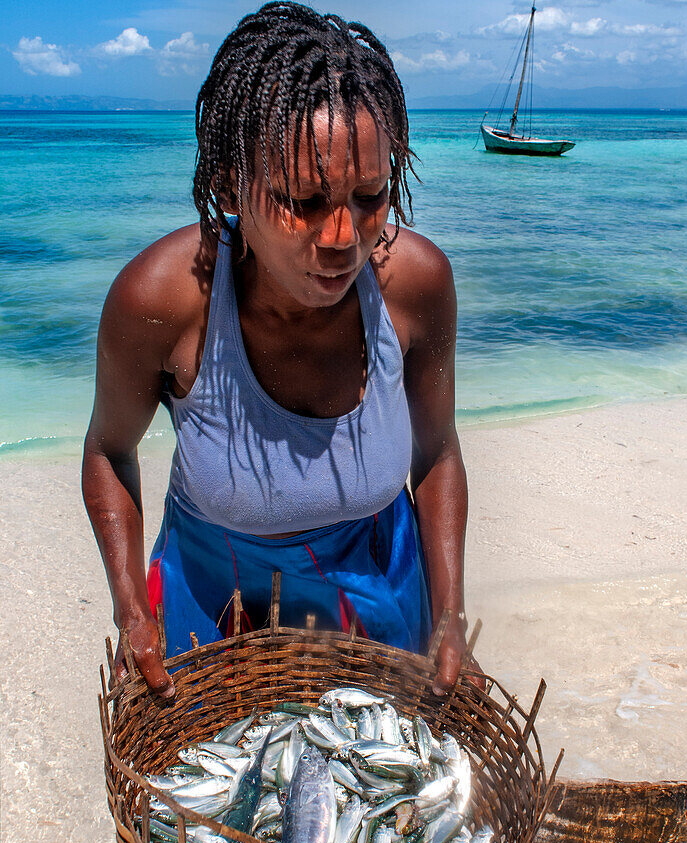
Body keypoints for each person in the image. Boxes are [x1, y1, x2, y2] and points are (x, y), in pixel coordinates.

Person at [82, 1, 479, 701]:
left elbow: (436, 452)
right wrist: (131, 611)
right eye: (302, 200)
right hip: (212, 604)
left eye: (368, 196)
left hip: (380, 602)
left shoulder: (415, 286)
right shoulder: (161, 300)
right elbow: (110, 452)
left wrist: (447, 617)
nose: (342, 238)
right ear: (230, 185)